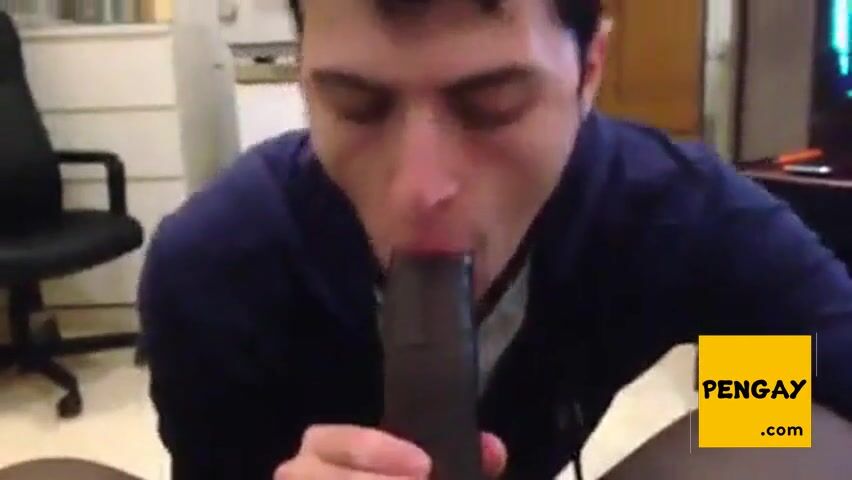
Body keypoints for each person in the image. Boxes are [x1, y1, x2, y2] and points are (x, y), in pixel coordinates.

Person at [137, 0, 852, 478]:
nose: (419, 190)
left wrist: (725, 401)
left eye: (493, 106)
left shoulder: (673, 207)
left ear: (589, 72)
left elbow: (835, 374)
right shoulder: (214, 261)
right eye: (355, 105)